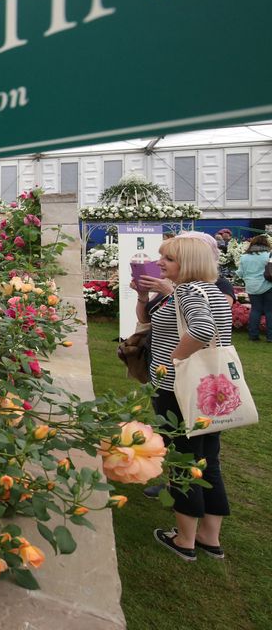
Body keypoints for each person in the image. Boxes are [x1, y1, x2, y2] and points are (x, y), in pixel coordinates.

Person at [136, 236, 231, 562]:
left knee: (183, 459)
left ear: (187, 264)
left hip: (179, 390)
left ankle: (184, 539)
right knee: (208, 459)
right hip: (212, 387)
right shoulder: (213, 290)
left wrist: (169, 364)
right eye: (162, 256)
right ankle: (210, 537)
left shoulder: (188, 291)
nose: (161, 263)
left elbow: (202, 330)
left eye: (170, 259)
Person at [237, 234, 271, 342]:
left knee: (255, 310)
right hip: (267, 285)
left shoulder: (244, 257)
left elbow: (240, 273)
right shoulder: (268, 255)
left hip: (251, 287)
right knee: (270, 311)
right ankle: (270, 337)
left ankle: (253, 336)